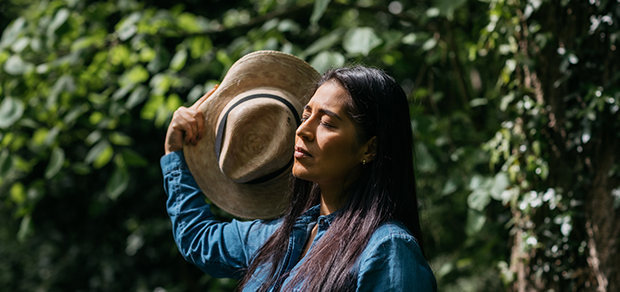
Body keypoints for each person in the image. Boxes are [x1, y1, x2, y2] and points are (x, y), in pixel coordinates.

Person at [161, 60, 437, 291]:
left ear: (370, 148)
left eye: (327, 122)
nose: (302, 130)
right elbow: (199, 239)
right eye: (306, 116)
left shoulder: (387, 250)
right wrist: (175, 153)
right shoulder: (278, 236)